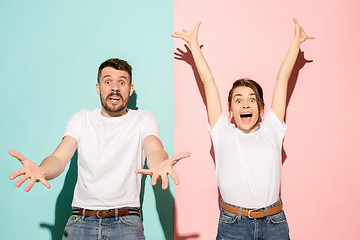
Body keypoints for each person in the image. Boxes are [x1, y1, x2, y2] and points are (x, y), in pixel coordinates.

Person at [9, 58, 190, 240]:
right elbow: (58, 158)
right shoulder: (81, 119)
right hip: (81, 221)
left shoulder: (143, 119)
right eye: (108, 81)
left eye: (121, 82)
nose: (115, 88)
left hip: (126, 222)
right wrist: (42, 170)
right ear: (98, 88)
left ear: (130, 89)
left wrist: (159, 163)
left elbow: (154, 149)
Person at [172, 19, 313, 239]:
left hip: (274, 223)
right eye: (238, 100)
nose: (245, 104)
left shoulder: (272, 129)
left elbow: (282, 79)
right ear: (229, 108)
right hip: (233, 225)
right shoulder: (222, 132)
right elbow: (208, 82)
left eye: (251, 100)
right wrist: (193, 45)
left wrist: (296, 42)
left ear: (261, 107)